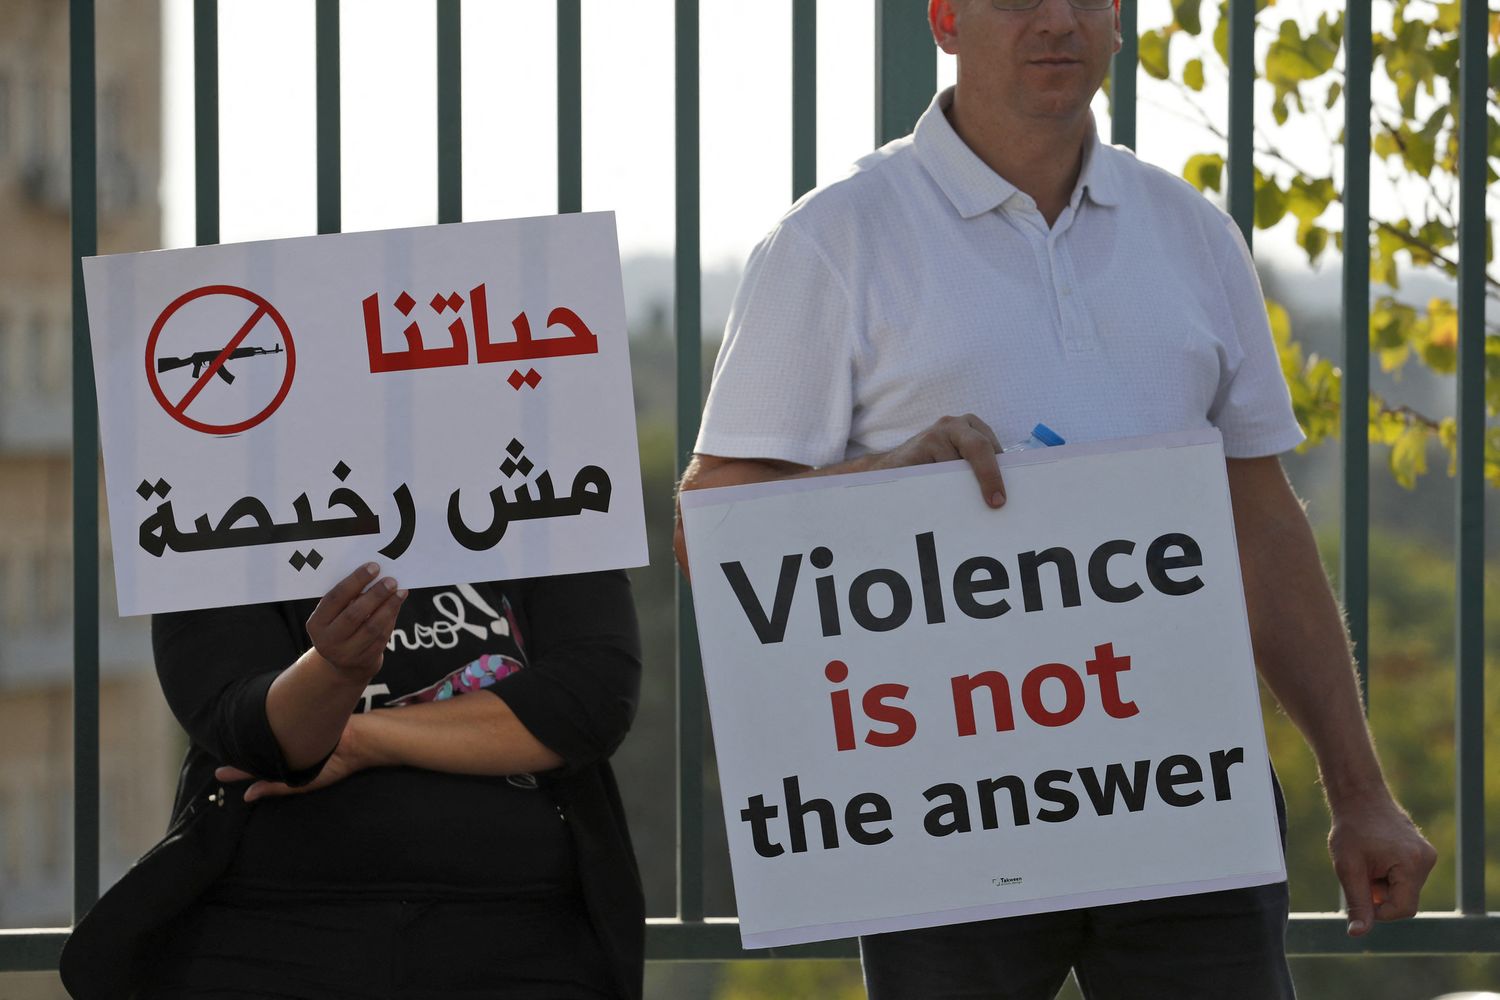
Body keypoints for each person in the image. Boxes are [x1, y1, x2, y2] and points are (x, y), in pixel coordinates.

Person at [674, 0, 1436, 996]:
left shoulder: (1193, 234)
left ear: (1118, 21)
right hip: (946, 806)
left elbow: (1259, 522)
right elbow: (710, 526)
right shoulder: (835, 240)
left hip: (1183, 794)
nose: (1058, 22)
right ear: (946, 20)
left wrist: (1360, 791)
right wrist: (887, 482)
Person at [137, 564, 644, 1000]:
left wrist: (358, 739)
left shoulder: (546, 472)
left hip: (523, 922)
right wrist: (334, 669)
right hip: (274, 920)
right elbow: (251, 732)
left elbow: (592, 700)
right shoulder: (225, 485)